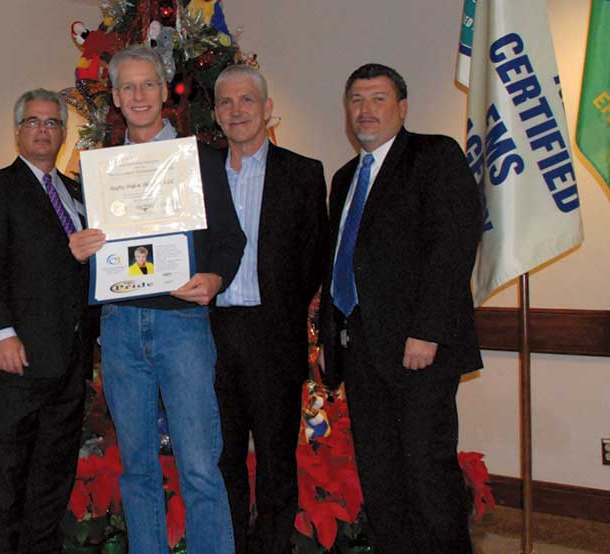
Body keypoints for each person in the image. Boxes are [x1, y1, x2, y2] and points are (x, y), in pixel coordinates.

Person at [69, 45, 245, 554]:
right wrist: (81, 249)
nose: (139, 95)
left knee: (198, 464)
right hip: (121, 323)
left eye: (149, 84)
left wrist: (213, 278)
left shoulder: (201, 161)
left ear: (165, 92)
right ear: (116, 98)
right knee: (138, 467)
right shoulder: (99, 170)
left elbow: (231, 240)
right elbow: (97, 248)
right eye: (128, 87)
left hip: (183, 325)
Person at [318, 63, 483, 554]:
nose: (365, 110)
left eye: (378, 99)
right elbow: (340, 263)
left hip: (419, 351)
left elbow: (453, 246)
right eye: (356, 100)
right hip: (360, 351)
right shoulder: (345, 178)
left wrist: (427, 331)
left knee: (427, 473)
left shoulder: (434, 156)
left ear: (403, 108)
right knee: (380, 474)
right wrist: (330, 342)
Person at [0, 88, 98, 554]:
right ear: (18, 130)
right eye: (34, 121)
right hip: (16, 359)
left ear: (64, 133)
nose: (44, 130)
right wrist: (1, 333)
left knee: (52, 476)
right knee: (5, 478)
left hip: (69, 363)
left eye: (53, 122)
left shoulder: (78, 192)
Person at [210, 64, 328, 554]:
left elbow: (313, 257)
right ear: (216, 114)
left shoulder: (303, 173)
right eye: (226, 103)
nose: (237, 111)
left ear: (267, 109)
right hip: (210, 335)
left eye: (247, 101)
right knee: (223, 459)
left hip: (272, 334)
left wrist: (281, 311)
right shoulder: (200, 174)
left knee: (278, 461)